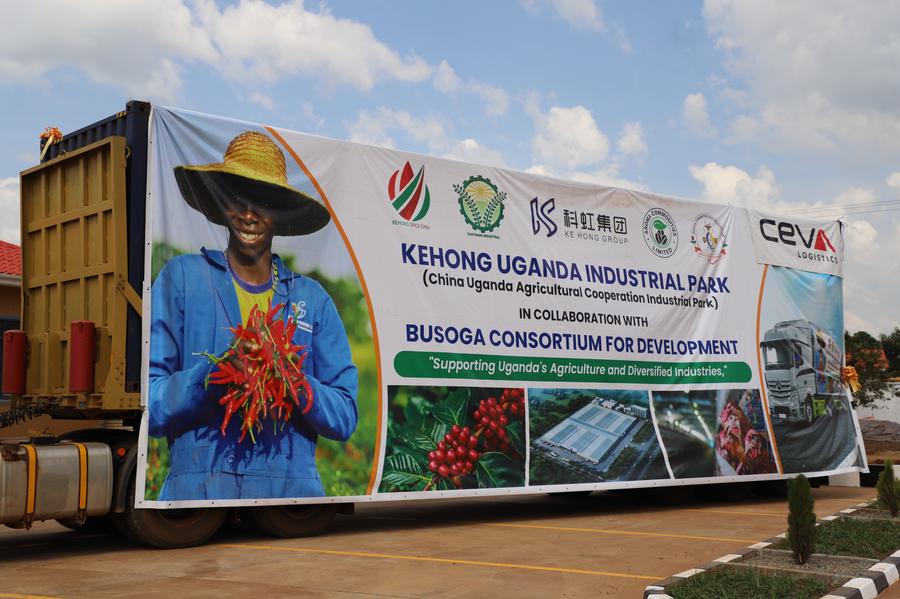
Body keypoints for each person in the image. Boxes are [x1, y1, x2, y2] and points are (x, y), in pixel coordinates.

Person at [148, 130, 358, 500]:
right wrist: (212, 376)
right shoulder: (182, 279)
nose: (248, 214)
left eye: (263, 202)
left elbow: (344, 416)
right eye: (237, 198)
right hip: (197, 494)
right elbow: (149, 405)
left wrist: (294, 381)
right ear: (221, 203)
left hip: (290, 497)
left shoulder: (312, 299)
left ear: (278, 212)